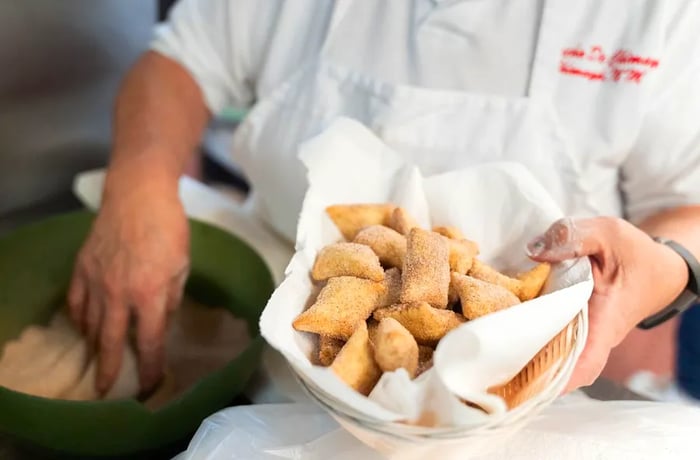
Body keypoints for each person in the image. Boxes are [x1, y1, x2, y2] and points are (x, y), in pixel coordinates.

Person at [67, 0, 700, 396]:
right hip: (277, 372)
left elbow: (688, 205)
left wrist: (668, 267)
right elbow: (178, 62)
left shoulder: (659, 13)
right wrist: (140, 187)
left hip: (551, 395)